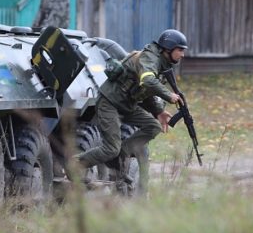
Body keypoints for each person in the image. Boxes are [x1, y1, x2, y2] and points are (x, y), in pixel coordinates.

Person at [76, 29, 188, 195]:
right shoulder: (150, 58)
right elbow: (148, 80)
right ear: (168, 48)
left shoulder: (161, 63)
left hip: (127, 104)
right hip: (110, 102)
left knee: (153, 127)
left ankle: (122, 153)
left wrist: (159, 112)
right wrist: (168, 94)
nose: (183, 54)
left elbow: (145, 91)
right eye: (180, 50)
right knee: (110, 148)